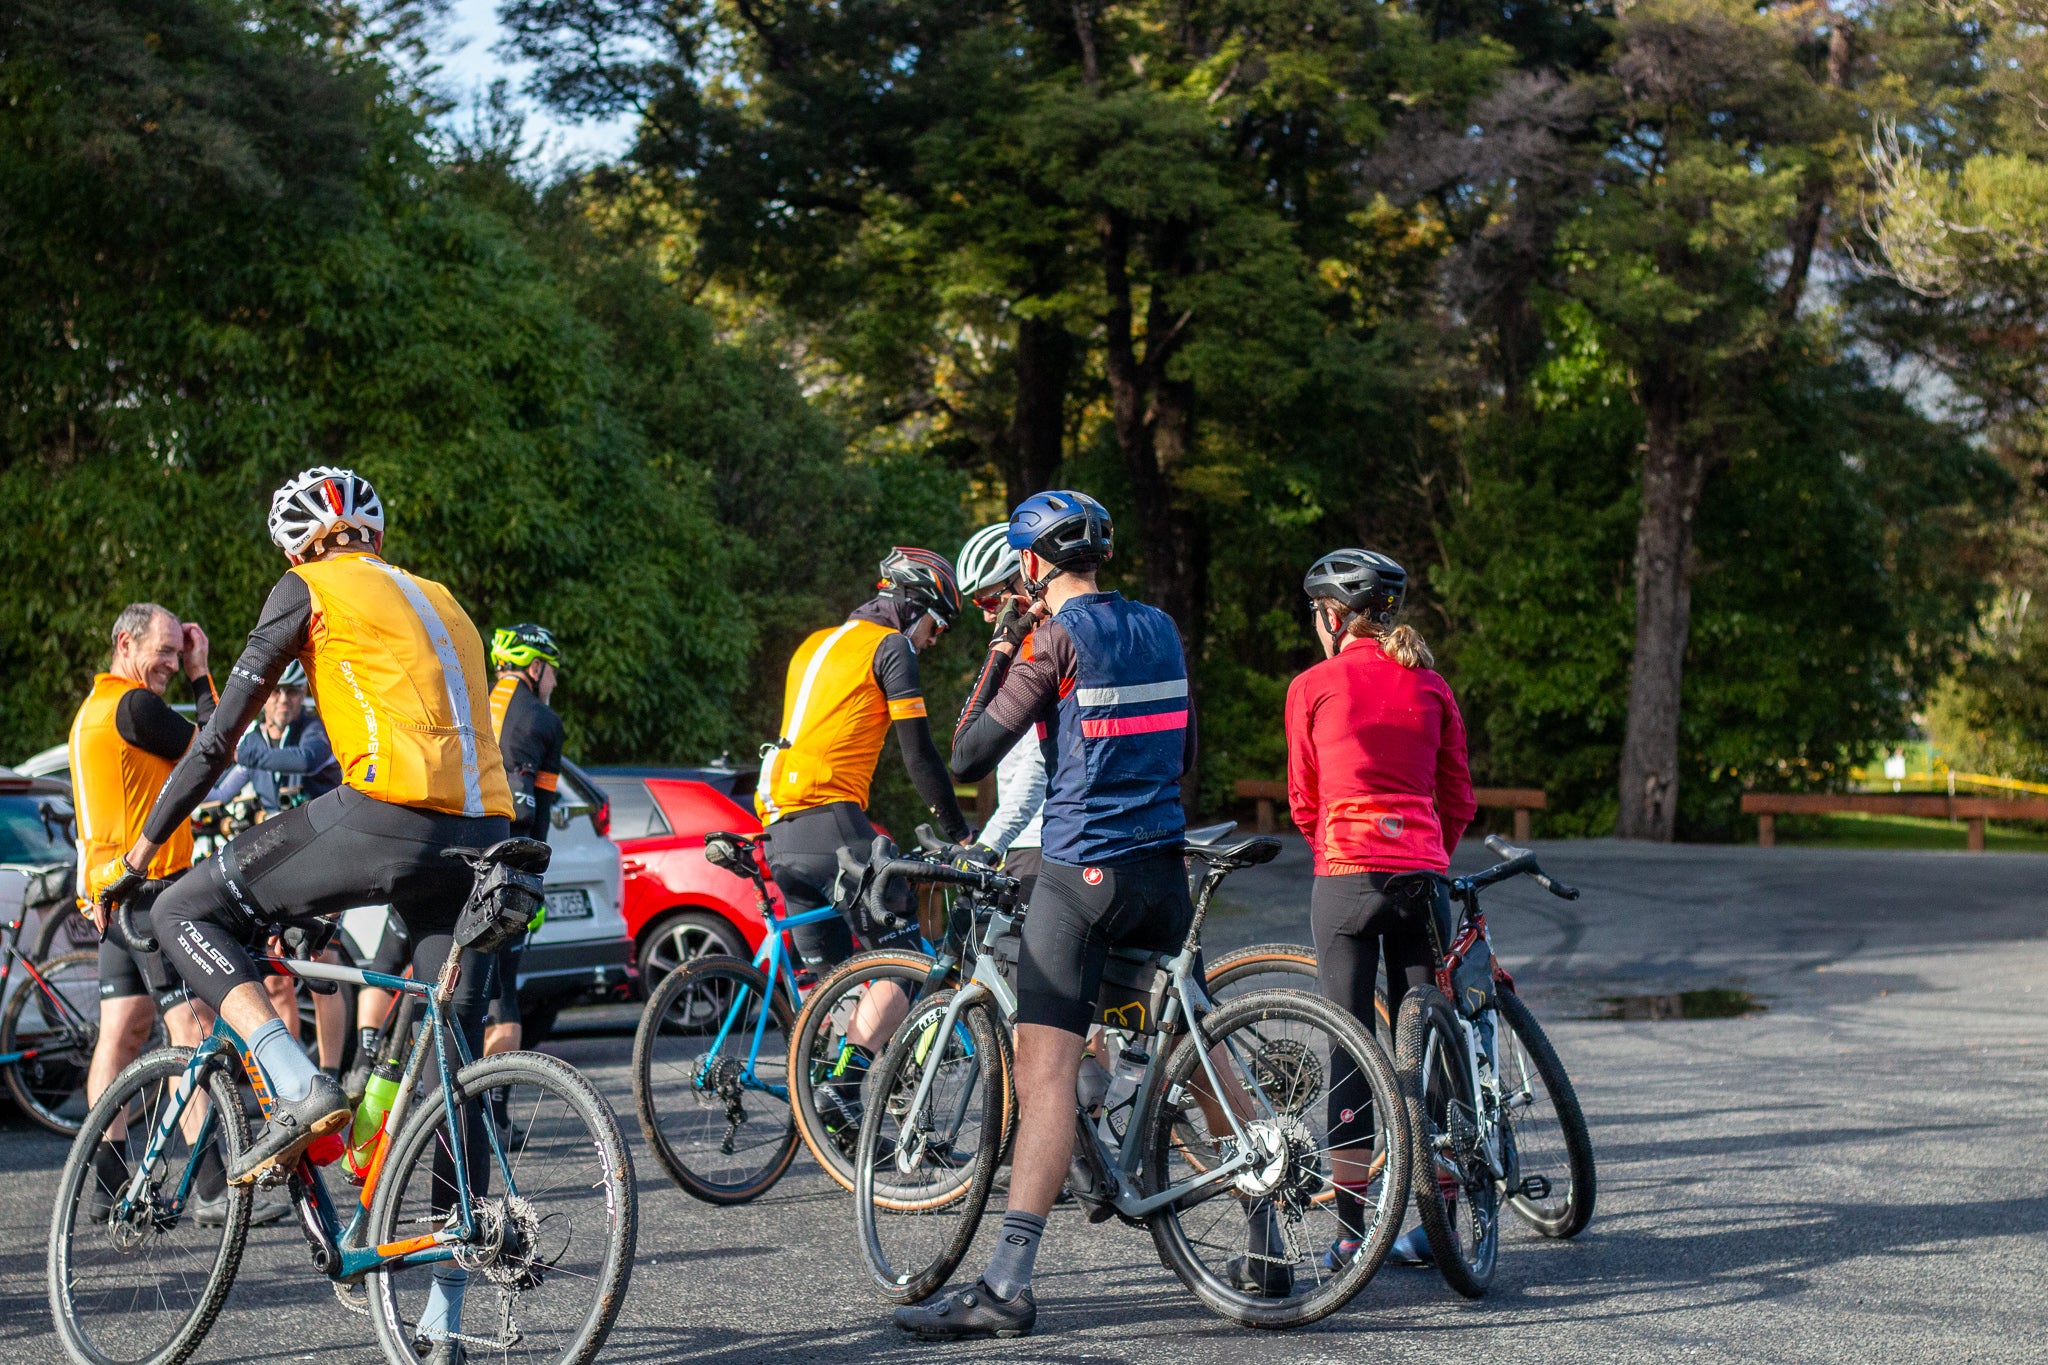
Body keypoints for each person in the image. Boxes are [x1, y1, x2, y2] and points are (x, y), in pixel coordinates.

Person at [92, 466, 513, 1363]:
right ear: (371, 535)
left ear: (298, 544)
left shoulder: (309, 586)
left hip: (389, 817)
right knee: (454, 1061)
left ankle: (294, 1080)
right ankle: (442, 1311)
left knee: (185, 906)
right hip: (489, 834)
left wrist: (138, 852)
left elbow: (220, 738)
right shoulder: (441, 597)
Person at [898, 490, 1212, 1339]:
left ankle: (1006, 1283)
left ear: (1031, 565)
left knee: (1042, 1086)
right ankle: (1260, 1233)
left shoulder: (1049, 637)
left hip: (1081, 877)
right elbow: (1184, 754)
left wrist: (1001, 646)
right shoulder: (1159, 625)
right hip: (1162, 871)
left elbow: (967, 752)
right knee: (1189, 1042)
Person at [1288, 547, 1476, 1270]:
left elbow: (1306, 800)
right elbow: (1458, 796)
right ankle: (1440, 1223)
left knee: (1349, 1047)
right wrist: (1428, 849)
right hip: (1421, 880)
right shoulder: (1430, 683)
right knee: (1432, 1048)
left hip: (1346, 877)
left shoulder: (1312, 685)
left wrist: (1338, 853)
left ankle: (1350, 1232)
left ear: (1334, 616)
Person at [69, 603, 287, 1226]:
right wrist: (201, 672)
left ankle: (109, 1184)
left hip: (112, 897)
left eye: (175, 651)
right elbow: (221, 749)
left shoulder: (93, 712)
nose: (168, 661)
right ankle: (214, 1186)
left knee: (122, 1033)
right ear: (124, 642)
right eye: (161, 650)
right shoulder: (135, 708)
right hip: (152, 891)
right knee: (188, 1030)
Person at [756, 548, 974, 1132]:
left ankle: (839, 1127)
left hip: (782, 832)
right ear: (911, 606)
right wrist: (960, 831)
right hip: (831, 823)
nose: (933, 640)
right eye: (938, 625)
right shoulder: (891, 647)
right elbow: (919, 754)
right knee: (905, 960)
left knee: (836, 983)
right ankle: (844, 1088)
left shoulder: (815, 642)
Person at [480, 622, 566, 1060]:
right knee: (501, 997)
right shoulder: (544, 720)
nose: (554, 678)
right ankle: (496, 1109)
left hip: (454, 854)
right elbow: (541, 814)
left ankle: (368, 1068)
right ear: (534, 666)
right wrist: (538, 883)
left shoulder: (469, 702)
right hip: (508, 869)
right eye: (551, 669)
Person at [953, 524, 1046, 903]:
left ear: (1024, 579)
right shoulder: (1025, 644)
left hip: (1039, 842)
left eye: (992, 603)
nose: (989, 617)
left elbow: (1039, 762)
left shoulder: (1044, 648)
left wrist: (990, 842)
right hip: (1024, 838)